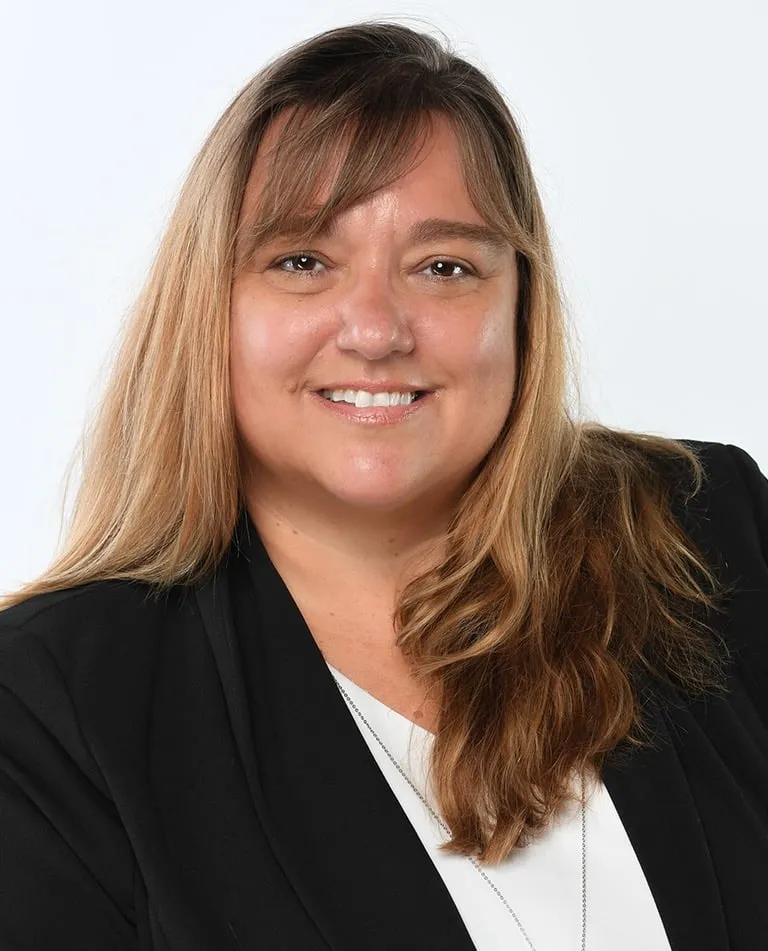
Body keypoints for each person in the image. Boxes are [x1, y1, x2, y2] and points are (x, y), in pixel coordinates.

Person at [0, 18, 766, 951]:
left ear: (520, 308)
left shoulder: (706, 531)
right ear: (211, 307)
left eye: (444, 267)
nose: (374, 328)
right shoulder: (52, 703)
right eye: (302, 261)